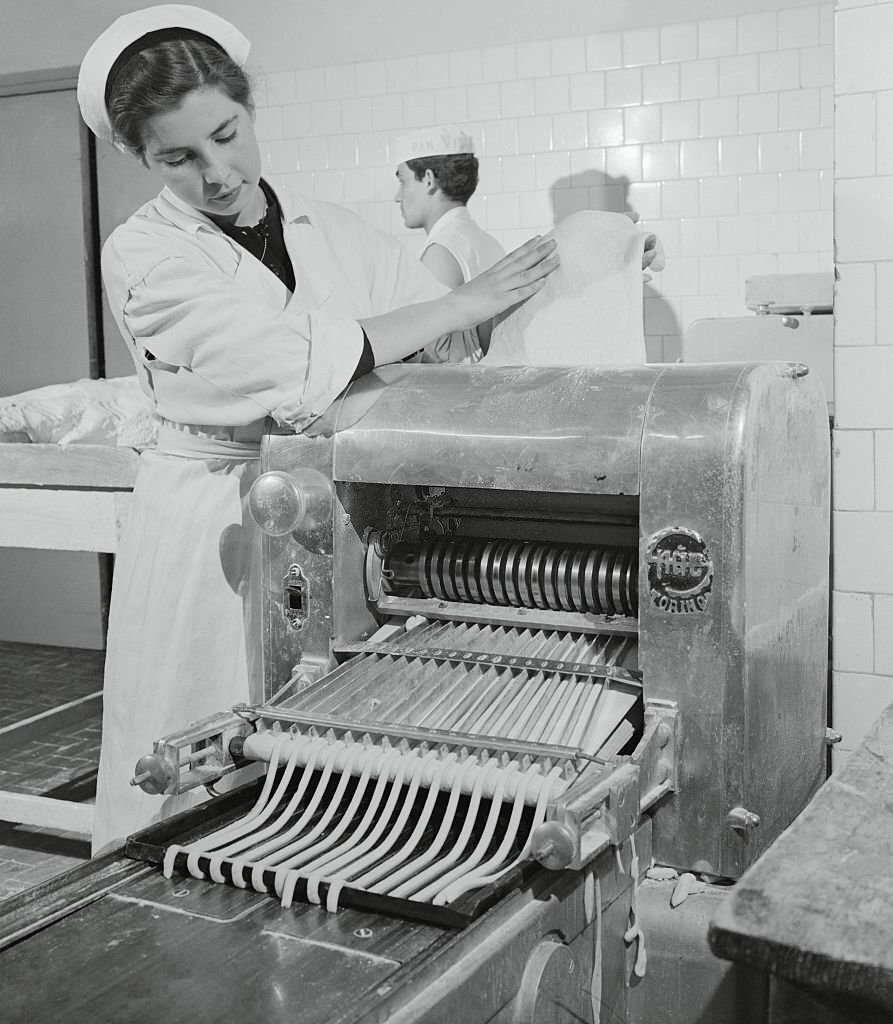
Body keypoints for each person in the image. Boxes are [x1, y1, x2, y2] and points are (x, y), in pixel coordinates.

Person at [77, 4, 558, 856]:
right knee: (198, 750)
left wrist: (548, 290)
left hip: (338, 508)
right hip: (213, 517)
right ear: (136, 156)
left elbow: (440, 344)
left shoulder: (330, 227)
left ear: (249, 109)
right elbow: (289, 362)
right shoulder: (143, 252)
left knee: (324, 757)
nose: (217, 173)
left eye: (227, 135)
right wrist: (452, 307)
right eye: (178, 158)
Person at [394, 125, 505, 361]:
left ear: (428, 180)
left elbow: (436, 362)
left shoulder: (442, 252)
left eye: (403, 181)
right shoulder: (486, 241)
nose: (397, 196)